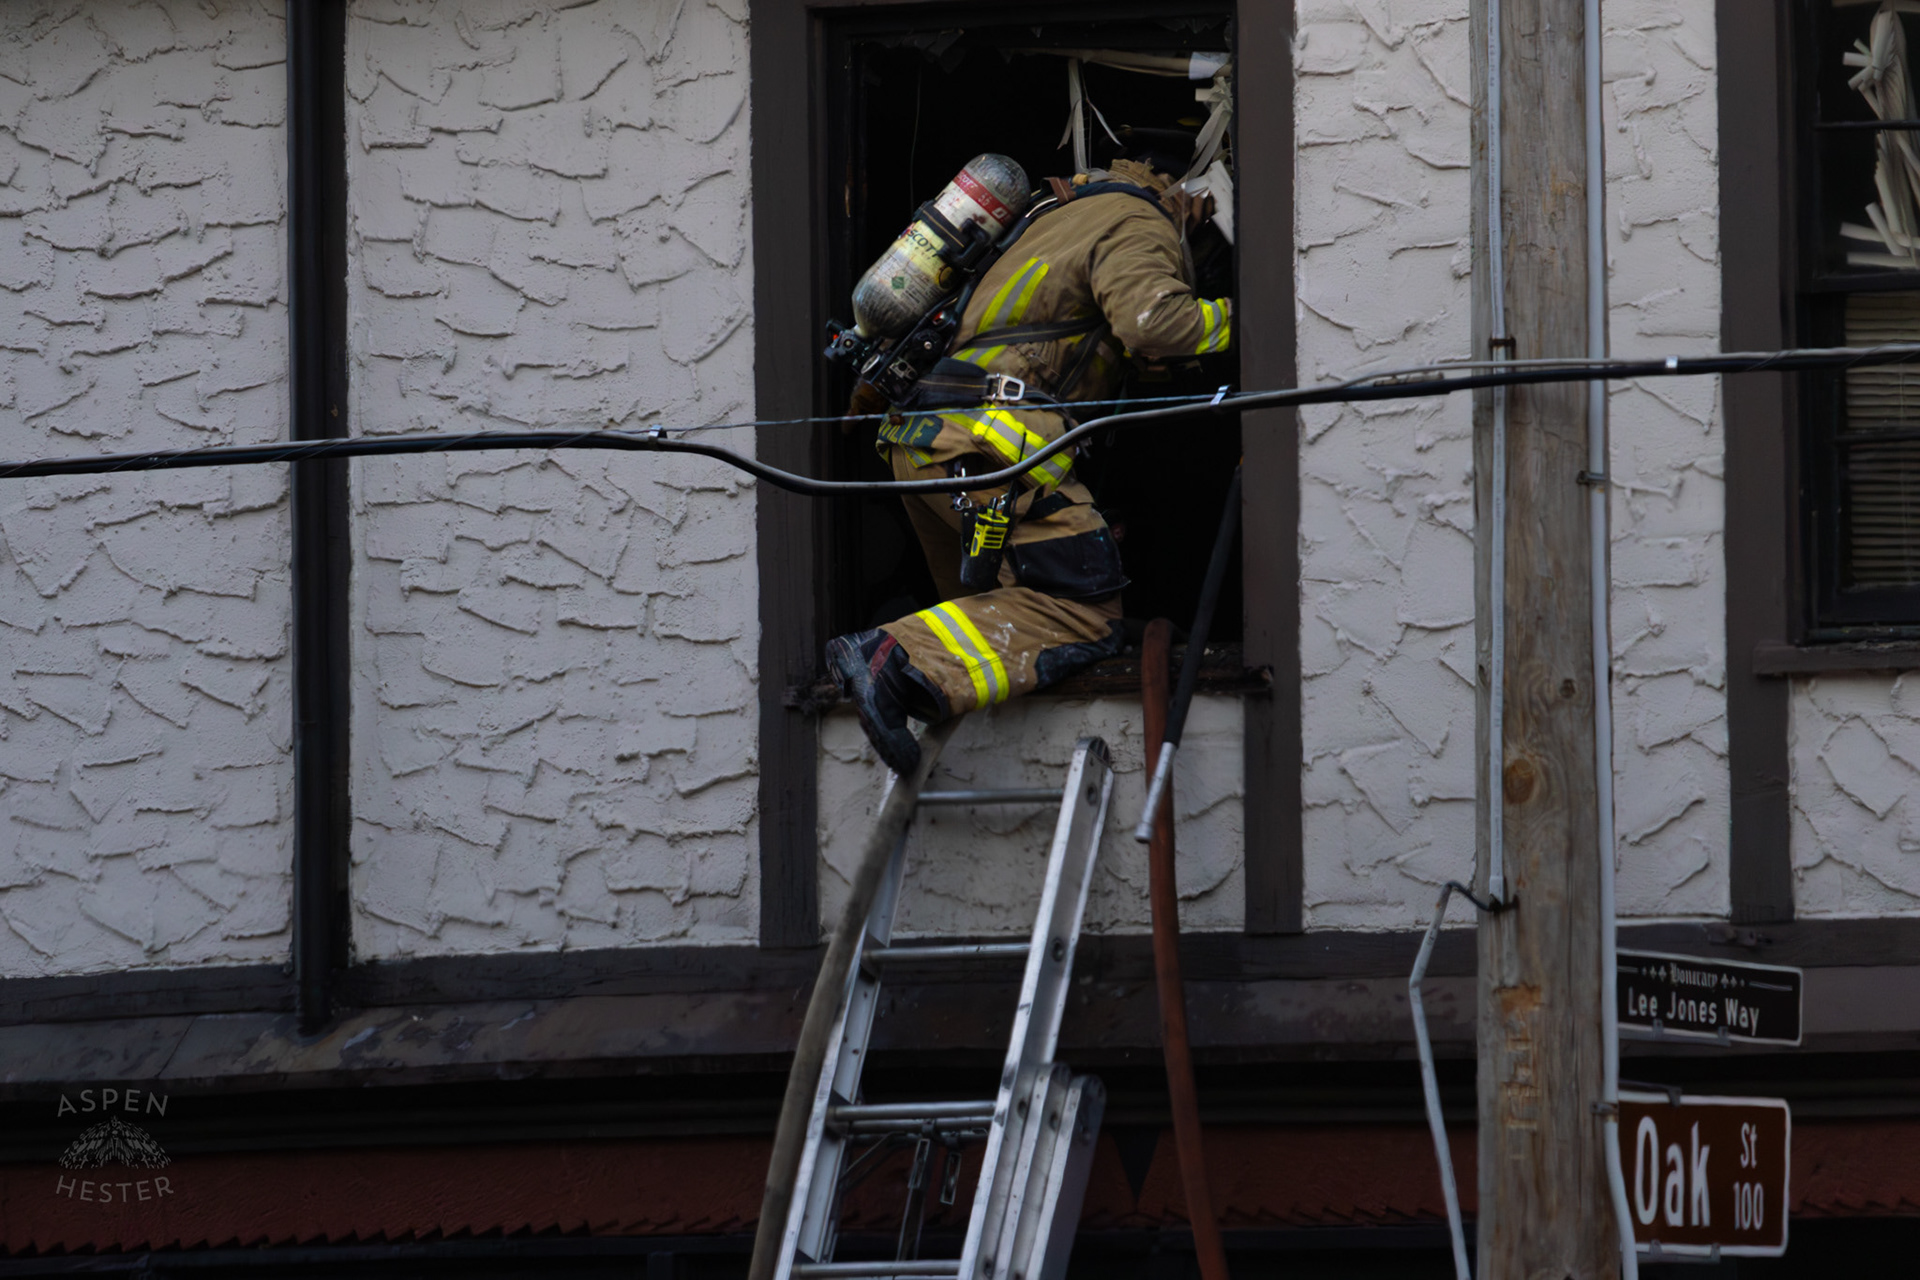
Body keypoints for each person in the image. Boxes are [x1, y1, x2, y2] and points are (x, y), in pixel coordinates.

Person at [827, 152, 1234, 775]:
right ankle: (887, 654)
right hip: (992, 451)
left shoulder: (1050, 217)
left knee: (998, 621)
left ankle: (904, 683)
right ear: (1192, 207)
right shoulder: (1139, 218)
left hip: (926, 449)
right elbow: (1155, 324)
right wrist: (1251, 316)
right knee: (1080, 610)